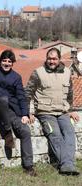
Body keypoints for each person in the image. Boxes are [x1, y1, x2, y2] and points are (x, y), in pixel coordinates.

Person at [25, 48, 80, 176]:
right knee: (55, 135)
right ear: (46, 58)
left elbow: (70, 94)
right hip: (45, 112)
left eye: (54, 59)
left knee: (69, 133)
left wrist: (70, 110)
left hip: (62, 112)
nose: (52, 61)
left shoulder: (67, 72)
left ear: (59, 59)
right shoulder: (38, 73)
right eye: (49, 58)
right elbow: (28, 93)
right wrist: (29, 112)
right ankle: (67, 165)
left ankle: (67, 164)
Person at [0, 49, 37, 176]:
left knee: (25, 131)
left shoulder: (16, 77)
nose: (6, 63)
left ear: (13, 63)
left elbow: (21, 96)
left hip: (10, 110)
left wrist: (24, 114)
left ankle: (28, 166)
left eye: (9, 61)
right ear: (0, 62)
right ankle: (7, 133)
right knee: (2, 100)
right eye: (4, 61)